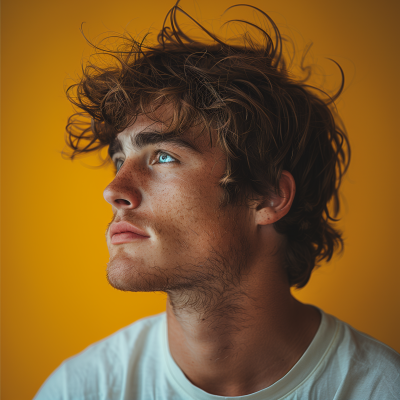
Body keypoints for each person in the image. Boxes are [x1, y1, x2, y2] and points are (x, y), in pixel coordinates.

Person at [34, 1, 400, 399]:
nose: (114, 189)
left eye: (164, 157)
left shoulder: (379, 388)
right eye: (119, 159)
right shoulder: (83, 388)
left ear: (268, 196)